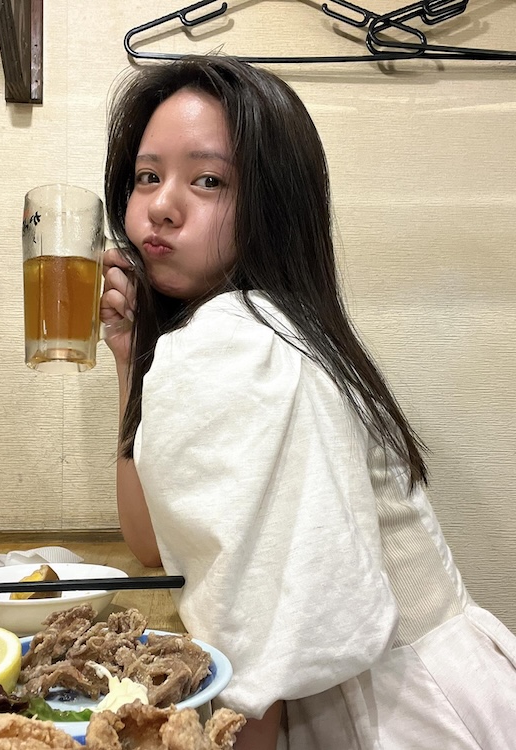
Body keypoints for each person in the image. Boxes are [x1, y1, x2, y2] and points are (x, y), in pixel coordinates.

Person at [99, 55, 516, 750]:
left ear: (273, 203)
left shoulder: (238, 340)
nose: (161, 204)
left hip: (389, 714)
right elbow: (153, 543)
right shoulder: (265, 326)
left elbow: (259, 650)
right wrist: (129, 359)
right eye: (147, 176)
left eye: (208, 180)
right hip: (446, 684)